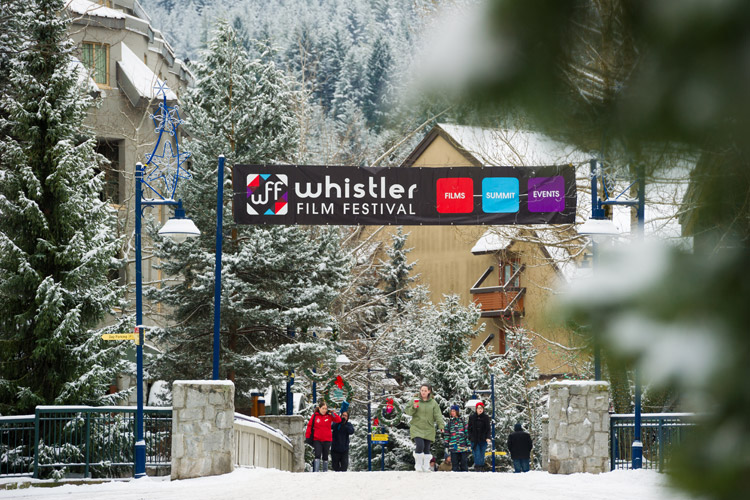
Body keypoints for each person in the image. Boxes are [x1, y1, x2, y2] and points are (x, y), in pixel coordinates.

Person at [404, 383, 445, 472]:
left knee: (427, 448)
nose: (423, 392)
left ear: (429, 391)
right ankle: (418, 465)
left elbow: (438, 415)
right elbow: (408, 412)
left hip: (429, 428)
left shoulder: (433, 403)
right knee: (420, 445)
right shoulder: (415, 400)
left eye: (425, 391)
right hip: (416, 427)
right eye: (422, 390)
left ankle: (426, 466)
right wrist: (413, 407)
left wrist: (441, 425)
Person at [305, 399, 341, 472]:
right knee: (317, 454)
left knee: (325, 456)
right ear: (319, 408)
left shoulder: (329, 416)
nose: (324, 410)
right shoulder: (315, 416)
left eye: (325, 409)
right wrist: (308, 436)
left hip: (327, 439)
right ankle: (316, 471)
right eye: (323, 408)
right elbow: (309, 426)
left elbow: (338, 420)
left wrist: (333, 414)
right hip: (317, 439)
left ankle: (325, 471)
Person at [445, 404, 470, 472]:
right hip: (453, 446)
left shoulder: (463, 421)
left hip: (463, 446)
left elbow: (467, 433)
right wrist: (446, 443)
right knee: (455, 464)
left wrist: (468, 444)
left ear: (457, 412)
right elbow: (447, 434)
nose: (452, 412)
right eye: (451, 411)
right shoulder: (449, 423)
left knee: (464, 463)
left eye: (454, 411)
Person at [468, 401, 492, 471]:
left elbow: (488, 428)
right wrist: (470, 437)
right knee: (477, 454)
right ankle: (478, 468)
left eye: (481, 408)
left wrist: (488, 437)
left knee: (482, 454)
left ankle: (481, 467)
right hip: (474, 439)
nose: (480, 409)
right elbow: (469, 428)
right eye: (478, 408)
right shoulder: (472, 417)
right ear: (476, 409)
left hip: (483, 439)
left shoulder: (486, 417)